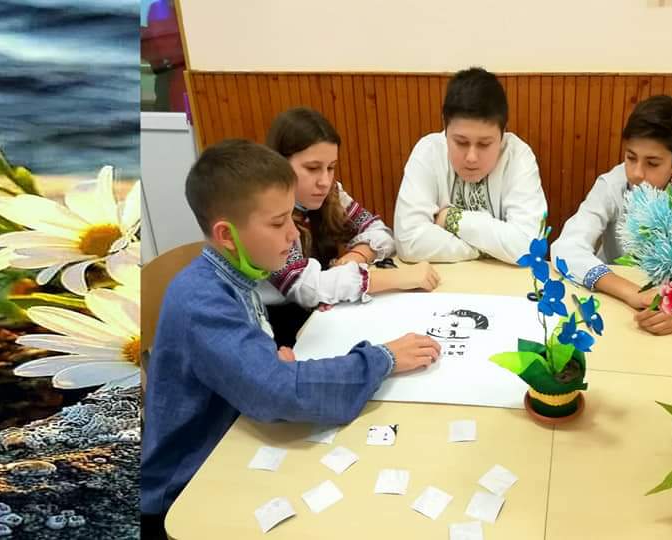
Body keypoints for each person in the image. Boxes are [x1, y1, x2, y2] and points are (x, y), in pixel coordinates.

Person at [140, 139, 441, 540]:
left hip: (236, 437)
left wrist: (264, 367)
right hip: (185, 490)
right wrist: (383, 359)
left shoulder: (236, 276)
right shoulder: (200, 300)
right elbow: (278, 392)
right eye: (278, 223)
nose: (293, 235)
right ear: (227, 235)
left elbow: (263, 377)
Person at [262, 107, 440, 346]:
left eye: (331, 167)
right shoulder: (267, 214)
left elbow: (380, 231)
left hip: (319, 317)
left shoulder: (331, 194)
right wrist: (397, 278)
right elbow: (305, 287)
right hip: (279, 333)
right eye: (312, 168)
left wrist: (356, 256)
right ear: (280, 164)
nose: (325, 181)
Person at [551, 95, 672, 336]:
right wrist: (633, 293)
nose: (636, 173)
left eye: (652, 163)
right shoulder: (612, 185)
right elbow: (566, 248)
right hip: (616, 305)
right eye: (631, 157)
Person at [393, 67, 547, 264]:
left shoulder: (518, 156)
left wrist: (451, 218)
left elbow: (529, 247)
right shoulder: (428, 151)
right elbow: (408, 242)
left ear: (503, 134)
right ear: (445, 127)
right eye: (461, 142)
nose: (471, 157)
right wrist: (489, 250)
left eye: (484, 144)